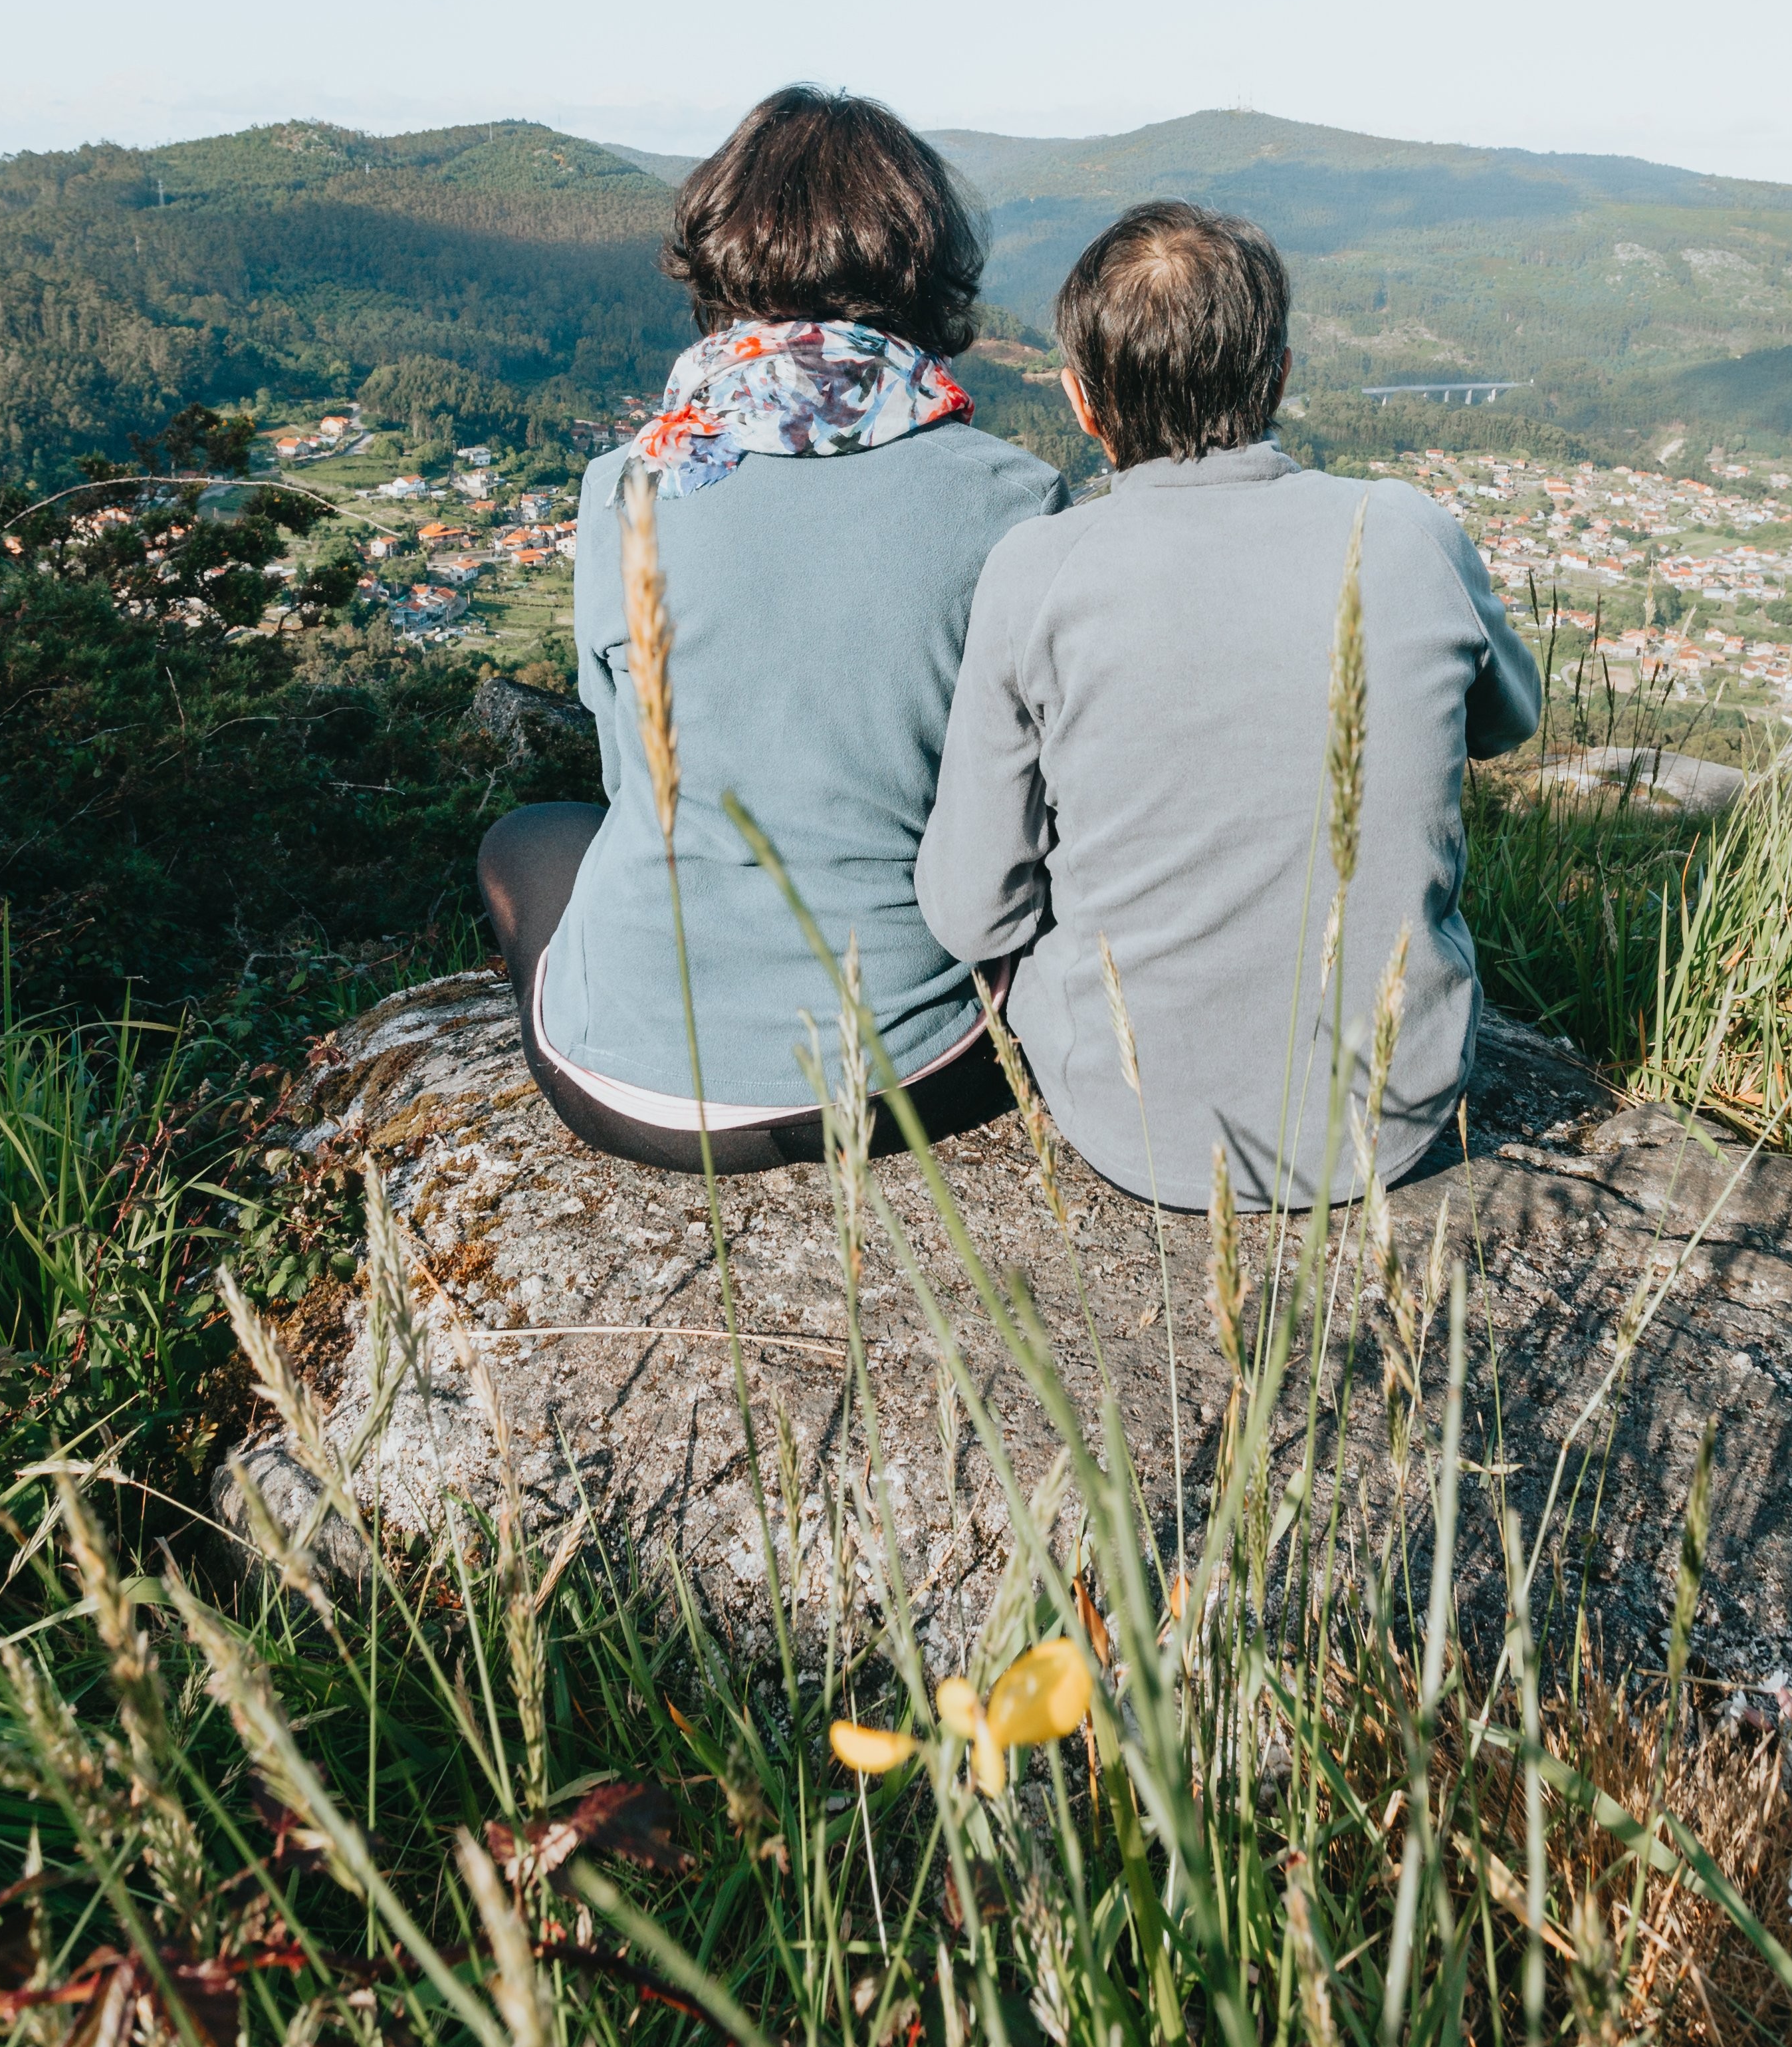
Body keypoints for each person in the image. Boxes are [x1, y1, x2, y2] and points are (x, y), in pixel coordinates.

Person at [479, 88, 1065, 1167]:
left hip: (619, 1088)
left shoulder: (627, 486)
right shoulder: (1016, 498)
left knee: (524, 839)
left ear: (719, 261)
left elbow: (628, 783)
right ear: (924, 270)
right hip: (911, 1074)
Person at [913, 201, 1541, 1209]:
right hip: (1395, 1114)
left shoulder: (1040, 569)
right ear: (1281, 375)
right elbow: (1511, 722)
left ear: (1081, 401)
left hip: (1128, 1124)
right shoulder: (1406, 530)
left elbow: (975, 909)